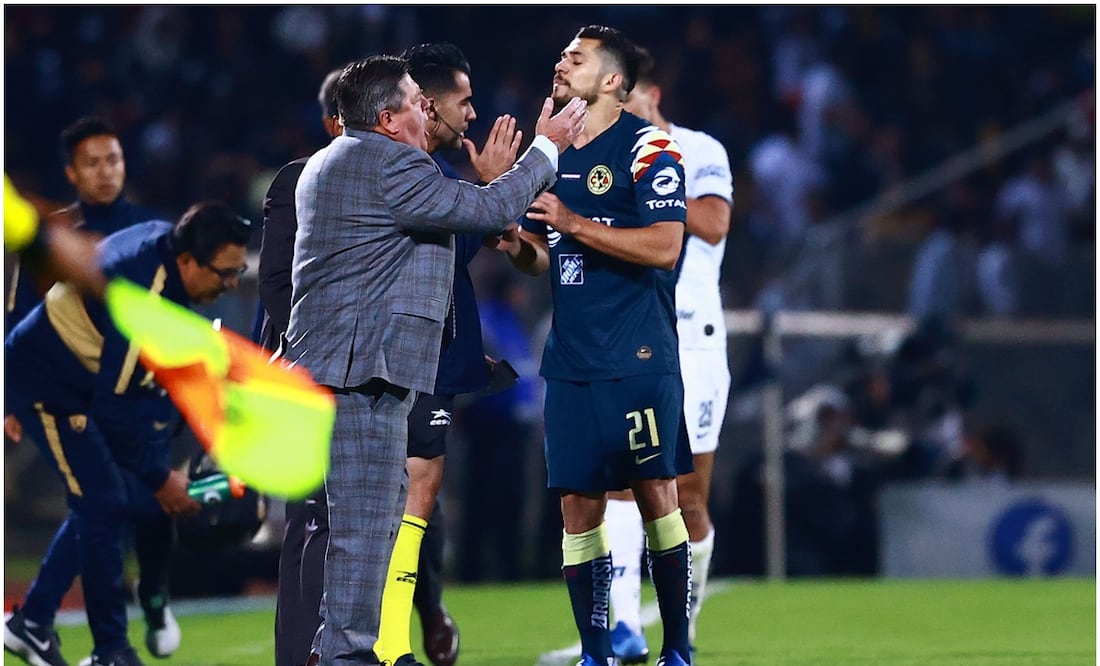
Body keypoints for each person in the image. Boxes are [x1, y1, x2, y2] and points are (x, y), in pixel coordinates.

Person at [284, 55, 585, 666]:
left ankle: (338, 649)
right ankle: (344, 655)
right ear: (388, 120)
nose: (427, 111)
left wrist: (488, 189)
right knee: (365, 527)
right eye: (416, 102)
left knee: (366, 523)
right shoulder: (387, 162)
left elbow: (452, 221)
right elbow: (485, 213)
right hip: (362, 373)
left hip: (350, 368)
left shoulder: (338, 161)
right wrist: (546, 149)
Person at [498, 26, 692, 666]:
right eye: (561, 54)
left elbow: (665, 246)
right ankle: (594, 653)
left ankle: (677, 649)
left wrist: (574, 223)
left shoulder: (648, 147)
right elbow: (545, 256)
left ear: (612, 81)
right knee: (577, 507)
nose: (561, 62)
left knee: (655, 494)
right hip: (571, 361)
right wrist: (514, 242)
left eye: (576, 58)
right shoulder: (548, 153)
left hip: (638, 358)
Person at [4, 202, 253, 666]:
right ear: (187, 261)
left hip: (85, 377)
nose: (232, 283)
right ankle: (110, 651)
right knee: (104, 504)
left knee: (109, 500)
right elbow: (114, 404)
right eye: (225, 272)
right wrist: (160, 478)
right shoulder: (144, 296)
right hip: (48, 381)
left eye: (237, 271)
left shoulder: (167, 250)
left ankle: (34, 622)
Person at [604, 45, 734, 663]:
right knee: (623, 485)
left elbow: (712, 222)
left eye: (628, 100)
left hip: (695, 338)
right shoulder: (607, 157)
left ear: (652, 96)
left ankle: (685, 625)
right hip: (634, 335)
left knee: (688, 496)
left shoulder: (700, 149)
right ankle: (625, 626)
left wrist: (653, 178)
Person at [260, 66, 345, 666]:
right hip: (305, 374)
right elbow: (274, 285)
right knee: (312, 522)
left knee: (345, 524)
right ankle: (298, 655)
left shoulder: (391, 179)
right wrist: (313, 352)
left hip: (359, 373)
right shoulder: (298, 178)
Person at [7, 117, 162, 331]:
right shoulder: (54, 235)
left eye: (113, 161)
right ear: (71, 173)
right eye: (92, 163)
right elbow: (21, 320)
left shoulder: (155, 232)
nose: (105, 172)